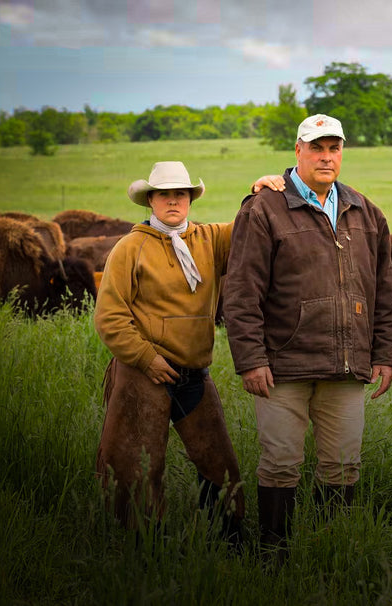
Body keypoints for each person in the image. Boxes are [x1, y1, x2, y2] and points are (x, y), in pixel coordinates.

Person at [223, 114, 392, 564]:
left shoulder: (364, 211)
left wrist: (385, 354)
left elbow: (383, 290)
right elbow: (241, 290)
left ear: (342, 152)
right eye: (316, 148)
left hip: (346, 365)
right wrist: (250, 359)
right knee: (281, 464)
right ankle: (274, 558)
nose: (326, 157)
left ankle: (331, 553)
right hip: (283, 365)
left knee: (342, 465)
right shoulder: (263, 209)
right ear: (297, 151)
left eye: (334, 148)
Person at [93, 161, 245, 545]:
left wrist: (260, 191)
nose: (174, 200)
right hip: (143, 373)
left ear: (191, 199)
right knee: (137, 469)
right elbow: (110, 316)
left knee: (219, 464)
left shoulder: (211, 239)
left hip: (194, 372)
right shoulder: (130, 248)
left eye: (181, 193)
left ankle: (228, 542)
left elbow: (252, 228)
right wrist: (146, 358)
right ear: (151, 200)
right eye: (165, 194)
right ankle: (142, 548)